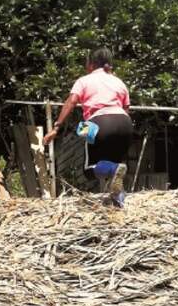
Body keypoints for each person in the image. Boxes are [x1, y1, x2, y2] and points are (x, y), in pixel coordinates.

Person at [44, 47, 133, 208]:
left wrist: (56, 127)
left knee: (89, 170)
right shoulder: (119, 82)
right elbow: (126, 108)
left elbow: (71, 102)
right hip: (125, 124)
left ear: (91, 64)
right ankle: (118, 201)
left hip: (100, 122)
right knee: (113, 163)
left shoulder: (84, 80)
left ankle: (113, 170)